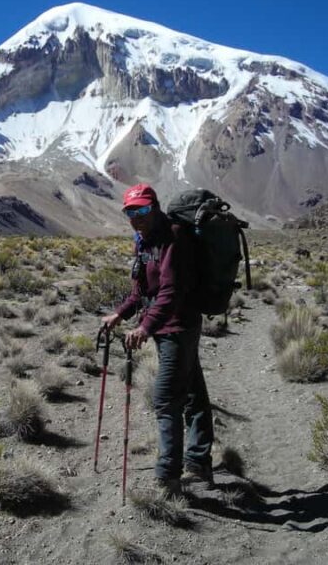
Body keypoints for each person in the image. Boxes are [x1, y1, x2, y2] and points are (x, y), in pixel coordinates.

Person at [102, 183, 214, 495]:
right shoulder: (144, 241)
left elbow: (171, 292)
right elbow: (142, 291)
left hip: (179, 327)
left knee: (166, 399)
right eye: (129, 211)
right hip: (166, 329)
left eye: (141, 210)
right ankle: (199, 462)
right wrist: (121, 314)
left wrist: (144, 328)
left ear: (154, 207)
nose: (135, 216)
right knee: (193, 394)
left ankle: (169, 477)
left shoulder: (173, 238)